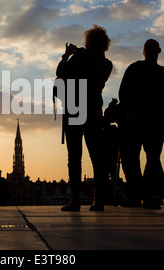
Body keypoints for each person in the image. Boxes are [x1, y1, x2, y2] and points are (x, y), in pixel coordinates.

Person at [118, 39, 164, 209]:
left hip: (158, 123)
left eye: (153, 48)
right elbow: (124, 92)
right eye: (147, 48)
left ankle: (152, 195)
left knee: (152, 159)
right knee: (136, 161)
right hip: (136, 123)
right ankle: (155, 194)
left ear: (159, 51)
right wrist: (130, 110)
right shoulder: (134, 69)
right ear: (143, 51)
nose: (150, 51)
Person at [56, 25, 113, 212]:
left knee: (74, 157)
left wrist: (66, 55)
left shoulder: (80, 56)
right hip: (94, 110)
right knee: (97, 158)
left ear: (88, 41)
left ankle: (75, 200)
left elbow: (61, 72)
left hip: (75, 109)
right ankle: (99, 200)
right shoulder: (107, 64)